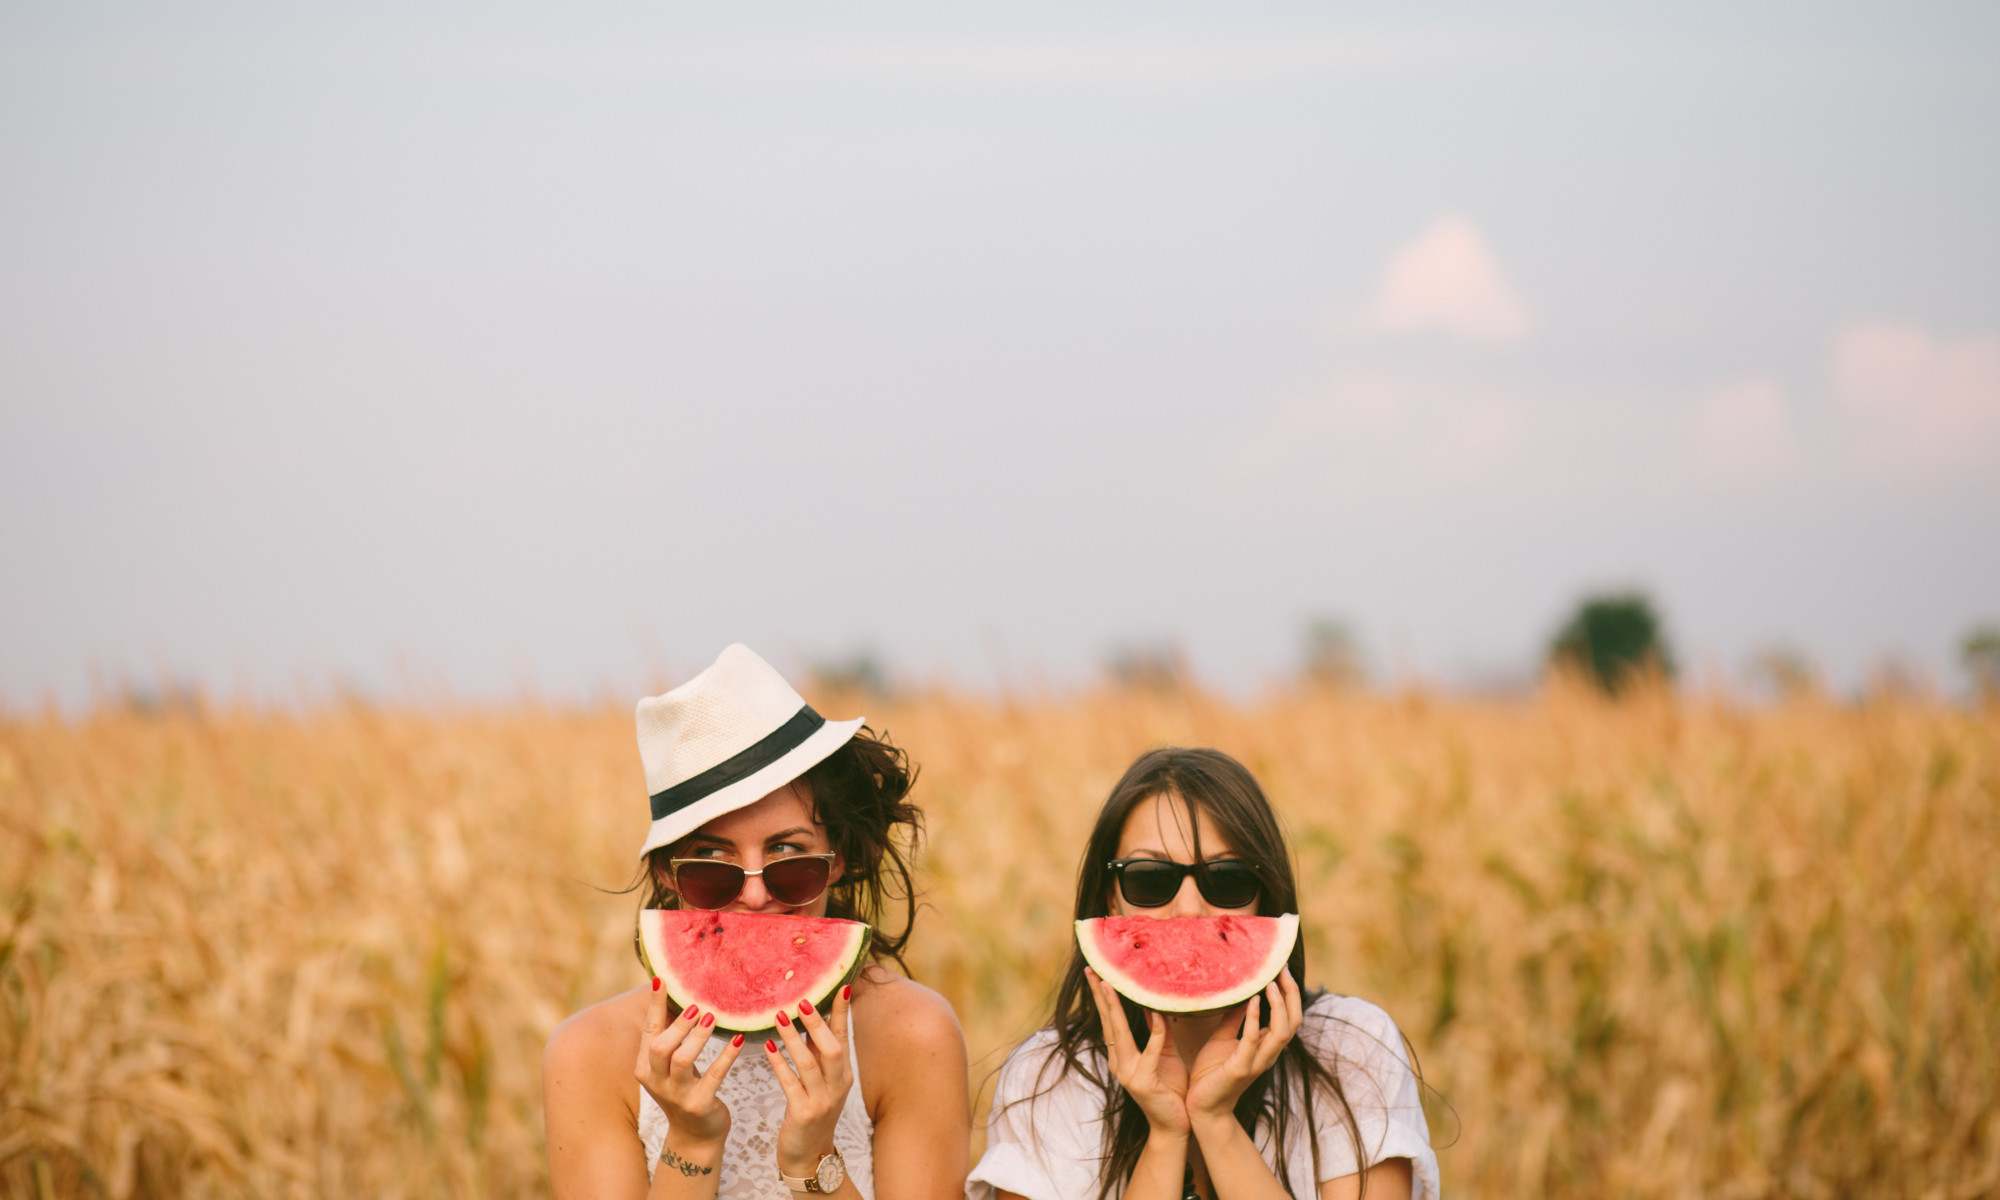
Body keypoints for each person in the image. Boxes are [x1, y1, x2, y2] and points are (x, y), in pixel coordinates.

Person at [544, 644, 970, 1200]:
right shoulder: (590, 1054)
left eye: (789, 860)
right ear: (669, 875)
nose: (753, 894)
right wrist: (692, 1143)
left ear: (836, 859)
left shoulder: (911, 1035)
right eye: (712, 867)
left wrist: (814, 1159)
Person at [967, 748, 1439, 1200]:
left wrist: (1214, 1122)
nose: (1189, 910)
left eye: (1228, 879)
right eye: (1149, 878)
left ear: (1266, 898)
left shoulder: (1349, 1049)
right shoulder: (1048, 1080)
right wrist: (1166, 1134)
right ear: (1111, 898)